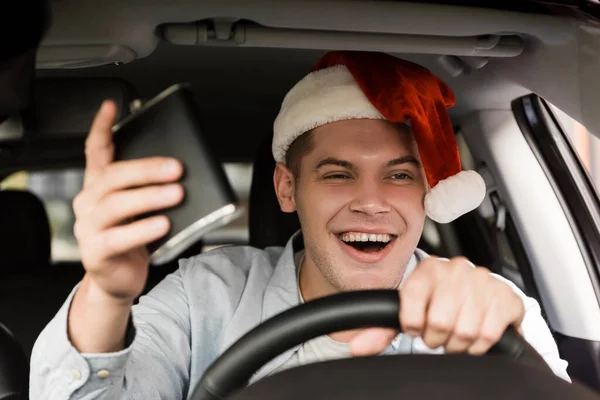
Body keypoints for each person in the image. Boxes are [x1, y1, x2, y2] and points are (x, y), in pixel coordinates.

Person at [30, 51, 570, 399]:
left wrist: (514, 356)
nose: (372, 202)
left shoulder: (492, 308)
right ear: (288, 188)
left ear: (429, 191)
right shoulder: (204, 295)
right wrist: (104, 293)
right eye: (338, 175)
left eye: (400, 175)